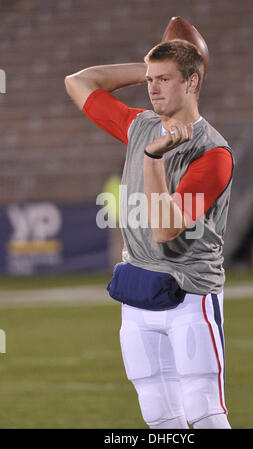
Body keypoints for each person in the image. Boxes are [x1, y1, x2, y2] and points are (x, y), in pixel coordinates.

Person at [65, 39, 234, 429]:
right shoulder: (139, 124)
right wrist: (144, 68)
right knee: (158, 415)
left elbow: (165, 228)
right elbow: (79, 82)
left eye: (164, 79)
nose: (152, 88)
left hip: (189, 294)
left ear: (193, 82)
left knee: (203, 411)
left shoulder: (212, 152)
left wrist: (154, 158)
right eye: (149, 79)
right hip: (139, 292)